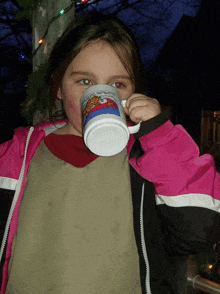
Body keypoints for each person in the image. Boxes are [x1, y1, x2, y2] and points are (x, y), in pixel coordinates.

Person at [0, 11, 219, 294]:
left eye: (117, 84)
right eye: (85, 82)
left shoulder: (147, 158)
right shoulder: (18, 155)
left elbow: (198, 229)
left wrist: (159, 135)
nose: (102, 96)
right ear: (58, 87)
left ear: (132, 94)